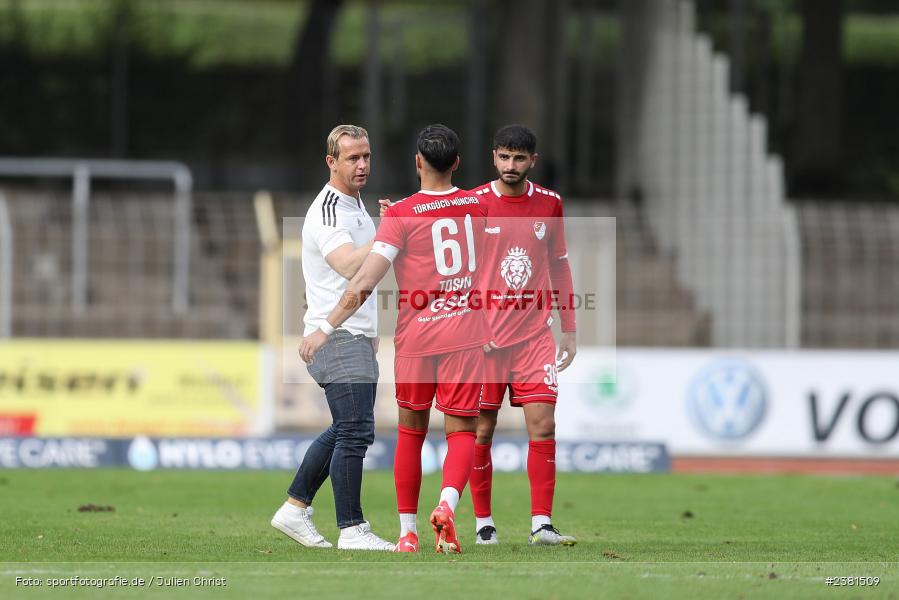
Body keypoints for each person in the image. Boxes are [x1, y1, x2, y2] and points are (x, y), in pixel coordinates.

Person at [301, 124, 491, 554]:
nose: (362, 164)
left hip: (417, 339)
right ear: (457, 162)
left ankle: (407, 533)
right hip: (465, 333)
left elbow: (363, 282)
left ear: (418, 162)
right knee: (463, 431)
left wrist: (326, 327)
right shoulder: (478, 205)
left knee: (411, 432)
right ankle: (446, 505)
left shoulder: (402, 214)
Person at [270, 124, 394, 552]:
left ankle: (295, 508)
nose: (362, 165)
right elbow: (347, 266)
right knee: (355, 431)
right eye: (352, 158)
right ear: (331, 162)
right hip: (335, 335)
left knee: (348, 429)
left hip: (353, 334)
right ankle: (352, 529)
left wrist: (371, 332)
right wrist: (387, 231)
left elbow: (361, 274)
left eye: (366, 156)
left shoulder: (355, 203)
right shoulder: (327, 209)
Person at [468, 124, 578, 546]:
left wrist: (569, 329)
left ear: (533, 160)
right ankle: (484, 524)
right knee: (481, 431)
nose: (510, 165)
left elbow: (559, 266)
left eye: (518, 158)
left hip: (534, 338)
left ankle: (541, 524)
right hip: (485, 341)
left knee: (544, 426)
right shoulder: (474, 203)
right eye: (504, 156)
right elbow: (457, 271)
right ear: (493, 157)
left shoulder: (549, 203)